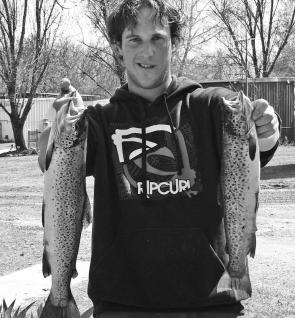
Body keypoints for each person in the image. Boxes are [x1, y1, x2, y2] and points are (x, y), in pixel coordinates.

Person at [39, 1, 280, 317]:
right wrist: (52, 132)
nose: (147, 51)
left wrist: (267, 128)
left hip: (210, 302)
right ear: (118, 47)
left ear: (174, 42)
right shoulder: (98, 120)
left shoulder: (213, 105)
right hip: (121, 304)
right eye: (134, 39)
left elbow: (252, 155)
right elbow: (56, 170)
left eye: (157, 38)